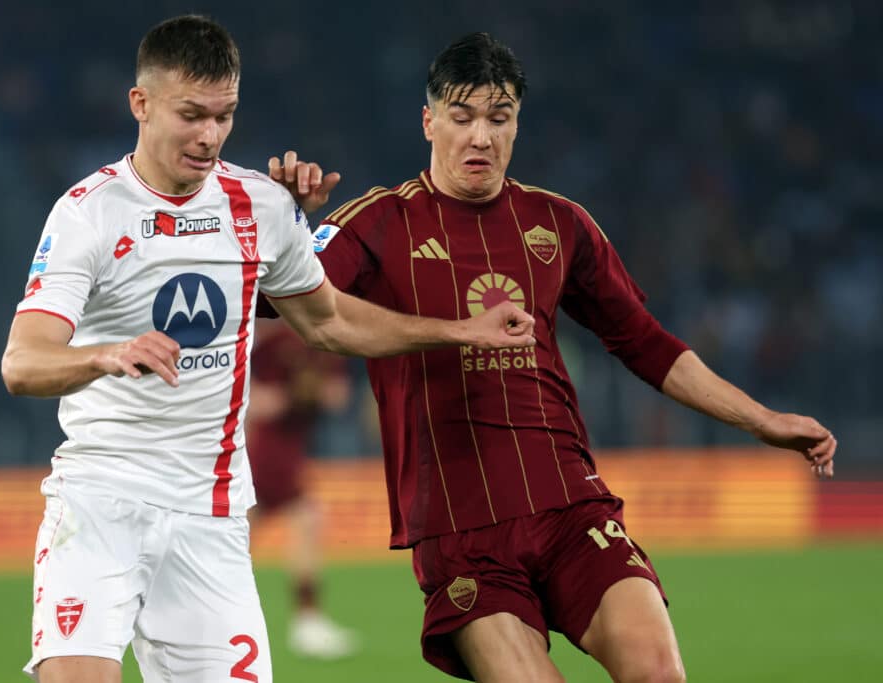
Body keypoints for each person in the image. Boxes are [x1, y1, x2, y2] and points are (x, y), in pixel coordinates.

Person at [269, 32, 837, 683]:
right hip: (462, 536)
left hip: (573, 508)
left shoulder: (559, 222)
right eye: (462, 117)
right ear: (429, 121)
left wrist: (760, 418)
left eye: (498, 117)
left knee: (660, 673)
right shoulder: (377, 221)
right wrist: (286, 228)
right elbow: (288, 305)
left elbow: (645, 342)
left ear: (517, 123)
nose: (480, 136)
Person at [0, 17, 534, 683]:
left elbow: (330, 322)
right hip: (100, 501)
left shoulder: (258, 205)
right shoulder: (88, 214)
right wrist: (103, 354)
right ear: (141, 105)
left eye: (223, 116)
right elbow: (23, 362)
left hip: (211, 513)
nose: (209, 135)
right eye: (191, 114)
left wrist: (460, 330)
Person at [246, 318, 359, 659]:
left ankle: (195, 609)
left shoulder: (325, 341)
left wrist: (304, 394)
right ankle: (307, 622)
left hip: (286, 447)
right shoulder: (275, 342)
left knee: (238, 536)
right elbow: (256, 399)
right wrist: (297, 394)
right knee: (306, 519)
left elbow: (337, 396)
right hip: (266, 449)